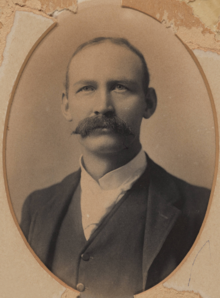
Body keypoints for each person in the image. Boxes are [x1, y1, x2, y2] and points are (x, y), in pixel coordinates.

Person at [20, 37, 210, 298]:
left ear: (149, 103)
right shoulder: (37, 208)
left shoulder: (202, 210)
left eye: (120, 87)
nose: (102, 107)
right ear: (66, 105)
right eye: (86, 88)